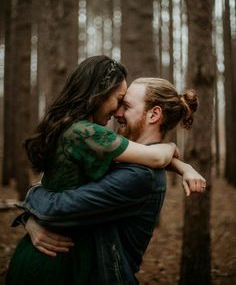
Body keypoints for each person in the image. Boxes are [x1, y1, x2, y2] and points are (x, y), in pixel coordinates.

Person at [7, 77, 206, 285]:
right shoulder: (128, 162)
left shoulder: (139, 176)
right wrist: (29, 220)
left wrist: (30, 200)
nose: (117, 113)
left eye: (126, 106)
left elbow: (56, 209)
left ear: (154, 114)